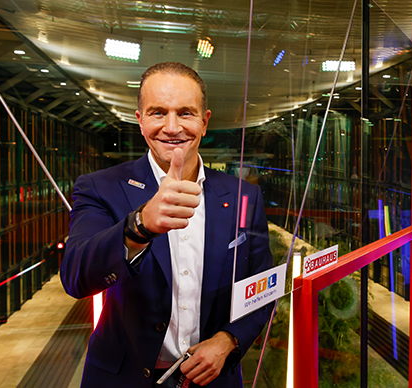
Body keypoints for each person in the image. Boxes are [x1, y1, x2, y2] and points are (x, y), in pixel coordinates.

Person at [61, 62, 272, 387]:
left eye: (185, 113)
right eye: (158, 112)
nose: (172, 127)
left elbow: (262, 290)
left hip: (212, 379)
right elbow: (76, 278)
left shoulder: (245, 195)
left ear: (205, 121)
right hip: (123, 378)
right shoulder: (99, 186)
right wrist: (139, 226)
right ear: (140, 120)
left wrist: (228, 341)